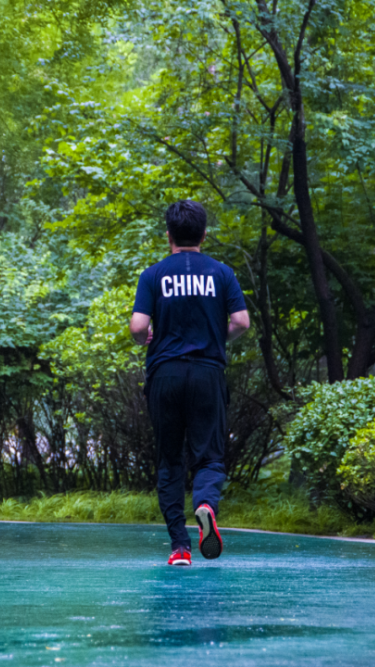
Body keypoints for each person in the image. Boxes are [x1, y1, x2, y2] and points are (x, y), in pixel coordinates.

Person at [129, 200, 250, 566]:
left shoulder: (154, 275)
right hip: (207, 373)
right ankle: (204, 505)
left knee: (169, 460)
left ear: (168, 235)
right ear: (204, 234)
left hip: (165, 374)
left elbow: (137, 327)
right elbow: (242, 322)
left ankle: (180, 547)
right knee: (209, 456)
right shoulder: (221, 273)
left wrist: (147, 336)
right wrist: (215, 336)